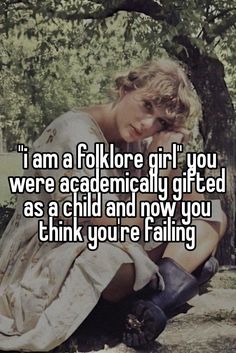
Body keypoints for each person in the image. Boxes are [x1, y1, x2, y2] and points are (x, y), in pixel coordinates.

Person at [0, 59, 226, 351]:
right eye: (146, 106)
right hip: (51, 255)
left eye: (161, 122)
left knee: (212, 214)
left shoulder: (132, 138)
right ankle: (176, 282)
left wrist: (171, 156)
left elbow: (195, 204)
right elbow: (119, 229)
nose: (147, 125)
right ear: (124, 89)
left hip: (114, 245)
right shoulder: (77, 135)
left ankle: (151, 305)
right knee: (111, 260)